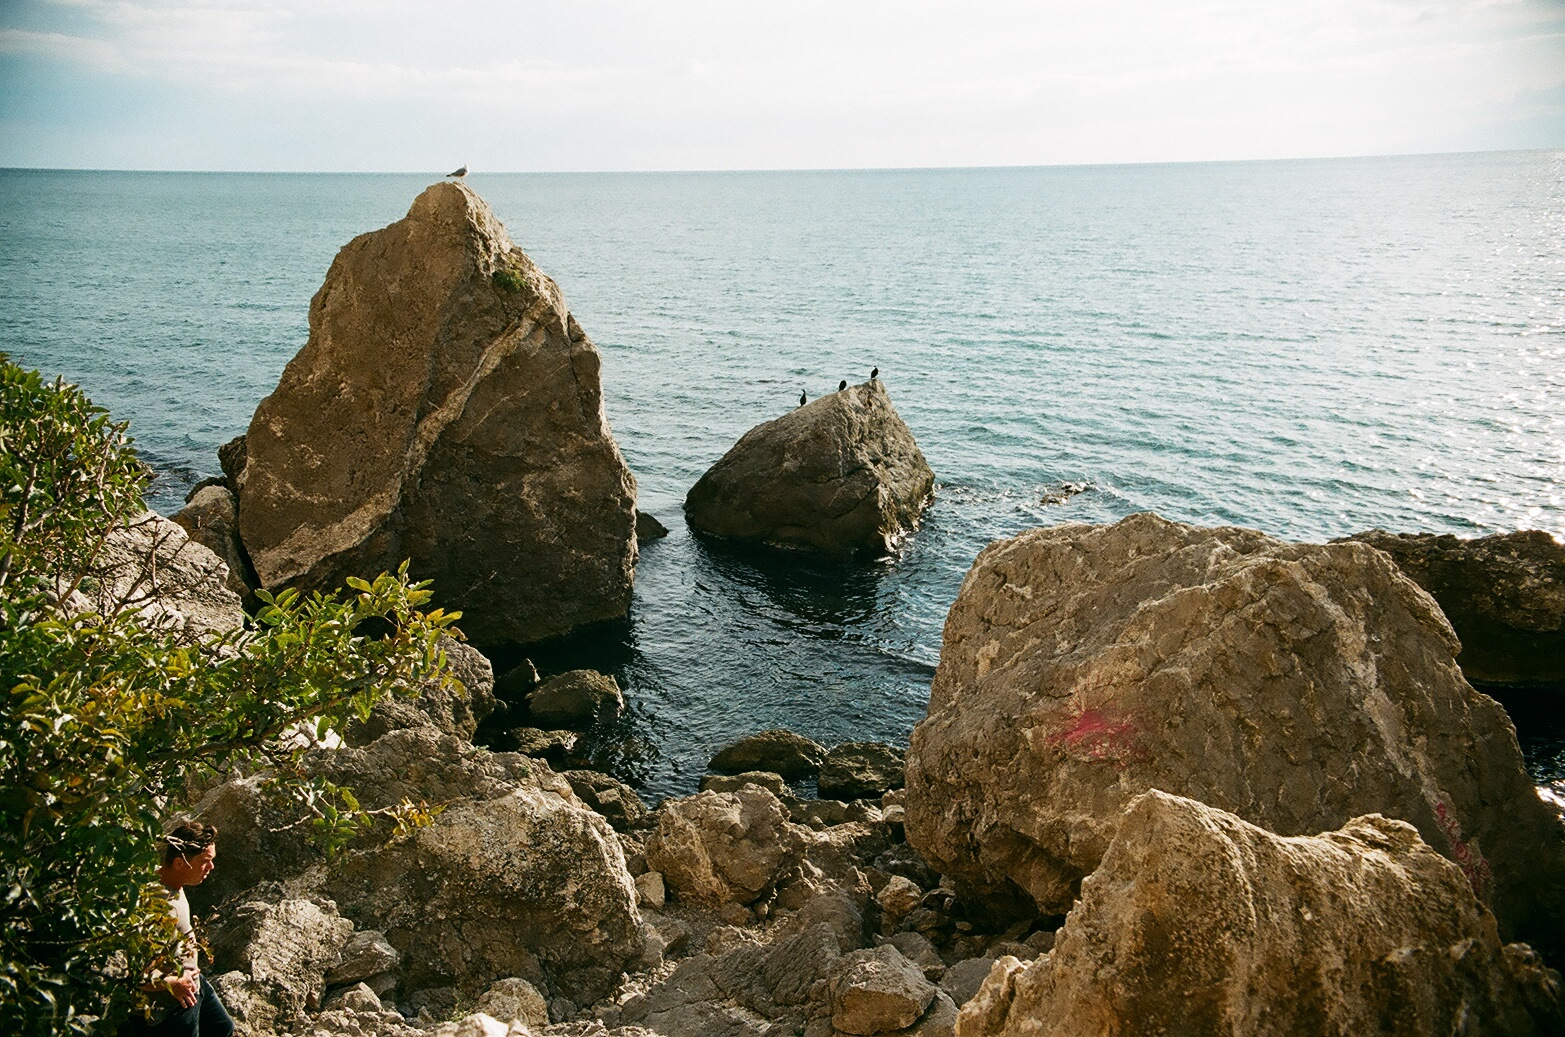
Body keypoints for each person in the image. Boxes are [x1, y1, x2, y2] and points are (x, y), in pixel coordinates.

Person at [129, 822, 234, 1037]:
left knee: (225, 1030)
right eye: (205, 862)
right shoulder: (155, 904)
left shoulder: (173, 884)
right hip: (169, 1006)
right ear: (179, 863)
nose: (212, 868)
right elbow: (134, 973)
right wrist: (174, 984)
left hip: (194, 985)